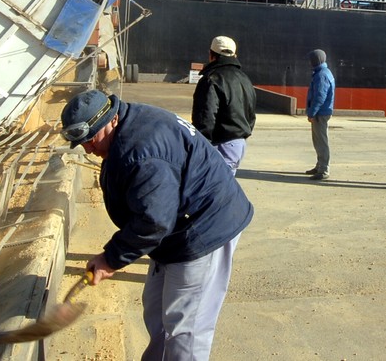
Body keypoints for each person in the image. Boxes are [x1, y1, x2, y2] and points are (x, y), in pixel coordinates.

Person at [62, 88, 253, 361]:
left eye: (91, 139)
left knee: (186, 327)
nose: (88, 149)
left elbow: (153, 221)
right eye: (81, 143)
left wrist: (111, 258)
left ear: (111, 119)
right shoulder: (126, 127)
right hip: (176, 227)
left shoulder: (142, 153)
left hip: (205, 228)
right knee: (155, 309)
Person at [192, 35, 257, 174]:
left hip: (220, 144)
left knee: (211, 190)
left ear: (211, 55)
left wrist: (201, 146)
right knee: (224, 189)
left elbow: (205, 116)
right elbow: (251, 114)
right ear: (235, 55)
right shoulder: (245, 79)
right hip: (238, 144)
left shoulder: (211, 79)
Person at [304, 49, 335, 180]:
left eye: (312, 60)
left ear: (316, 60)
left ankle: (324, 170)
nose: (310, 62)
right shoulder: (322, 73)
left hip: (320, 114)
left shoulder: (321, 75)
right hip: (320, 112)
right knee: (318, 141)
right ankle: (319, 165)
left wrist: (312, 113)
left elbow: (319, 97)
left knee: (321, 142)